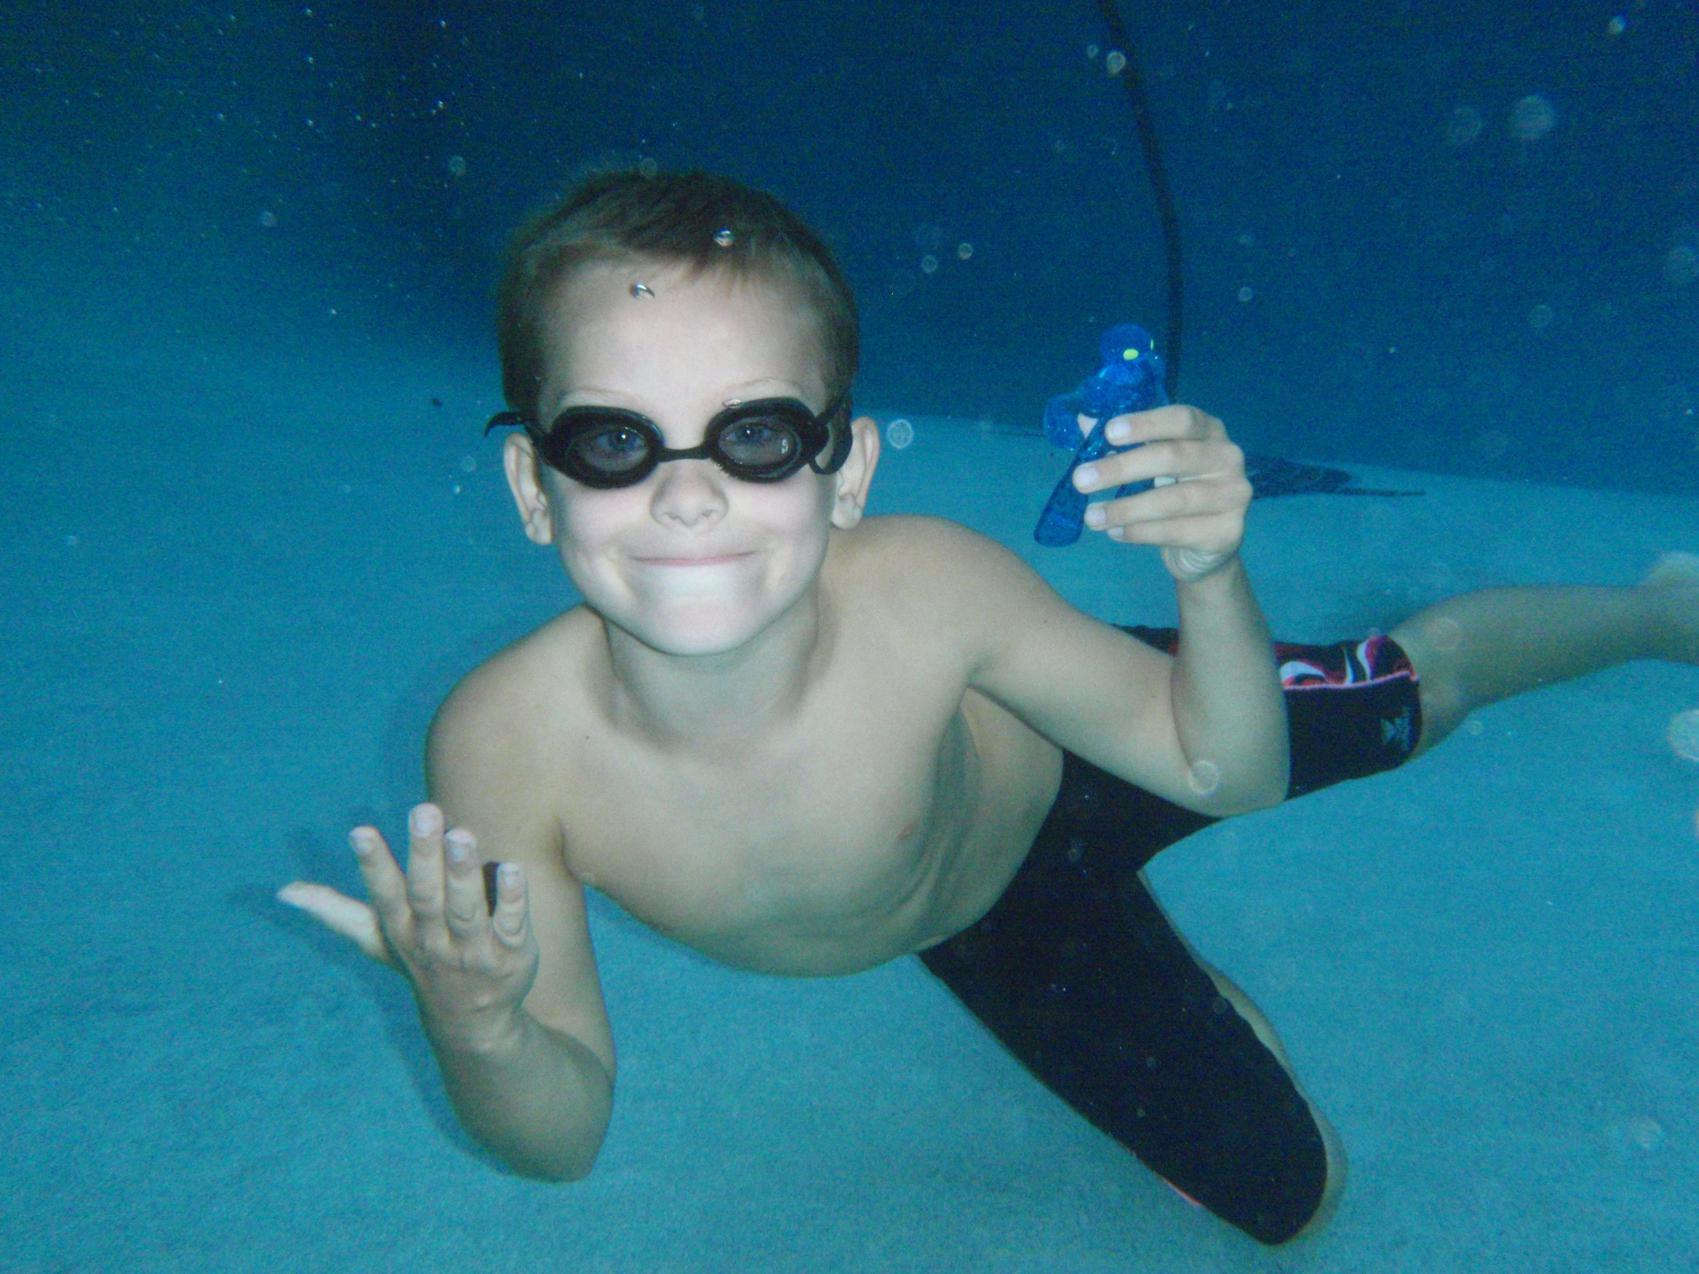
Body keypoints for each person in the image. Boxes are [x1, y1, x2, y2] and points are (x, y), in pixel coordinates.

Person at [277, 169, 1699, 1246]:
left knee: (1416, 696)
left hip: (1102, 733)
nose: (688, 493)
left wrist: (1209, 573)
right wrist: (483, 1030)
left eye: (757, 434)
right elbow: (564, 1136)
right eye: (611, 441)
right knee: (1294, 1199)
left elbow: (1230, 769)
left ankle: (1658, 609)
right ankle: (1171, 981)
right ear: (535, 486)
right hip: (987, 919)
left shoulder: (932, 591)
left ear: (845, 473)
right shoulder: (505, 746)